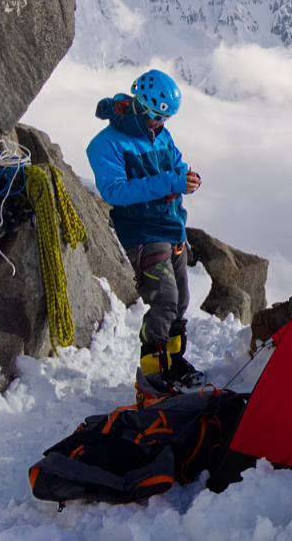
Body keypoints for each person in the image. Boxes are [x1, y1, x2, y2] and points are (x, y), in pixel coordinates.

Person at [86, 69, 204, 399]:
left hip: (171, 225)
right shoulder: (106, 145)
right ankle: (152, 377)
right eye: (157, 117)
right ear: (142, 106)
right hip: (141, 232)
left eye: (166, 118)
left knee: (179, 302)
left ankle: (174, 362)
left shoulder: (161, 135)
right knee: (163, 300)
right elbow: (114, 192)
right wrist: (171, 183)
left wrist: (186, 177)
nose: (161, 124)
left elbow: (176, 164)